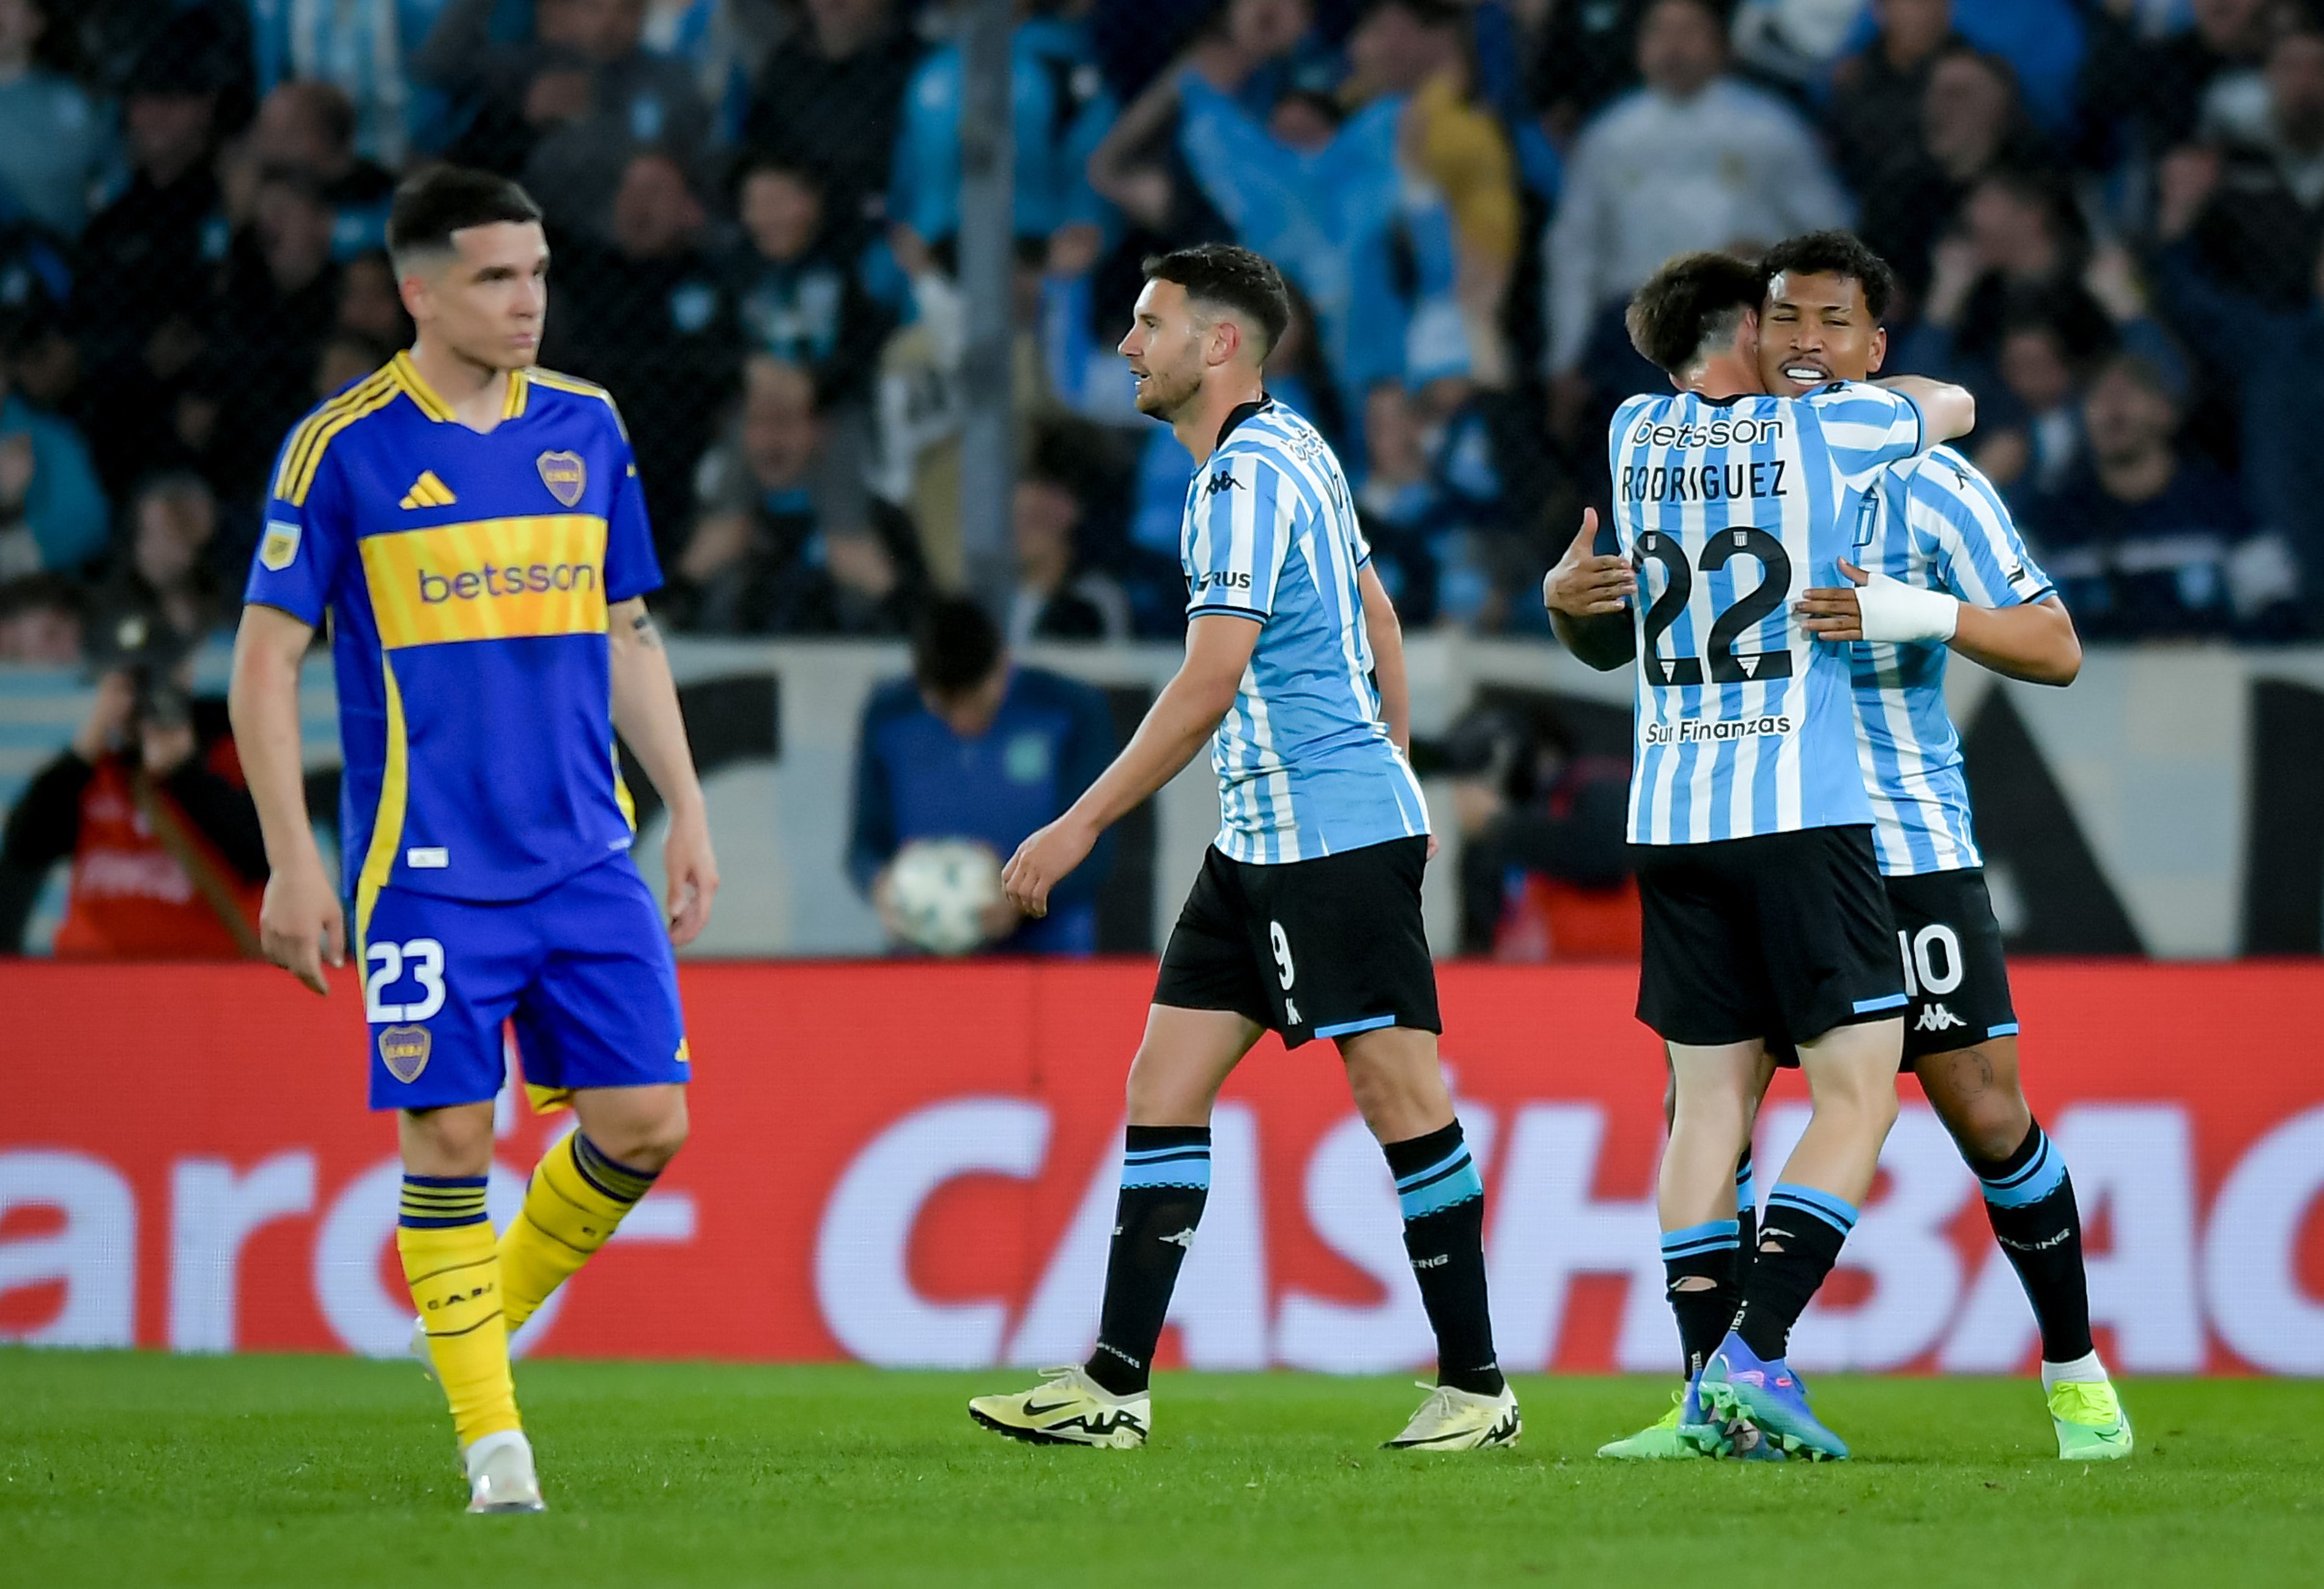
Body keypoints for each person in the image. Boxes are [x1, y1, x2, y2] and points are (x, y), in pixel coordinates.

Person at [1558, 231, 2131, 1463]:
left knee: (1983, 1108)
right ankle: (1718, 1389)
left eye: (1832, 323)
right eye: (1785, 318)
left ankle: (2075, 1367)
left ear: (1875, 346)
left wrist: (1914, 611)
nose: (1805, 342)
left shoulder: (1933, 486)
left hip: (1902, 837)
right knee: (1712, 1098)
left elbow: (2054, 645)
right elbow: (1627, 645)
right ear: (1749, 332)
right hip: (1789, 826)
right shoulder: (1749, 456)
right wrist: (1571, 619)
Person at [226, 166, 720, 1515]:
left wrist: (685, 807)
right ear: (419, 290)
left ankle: (465, 1331)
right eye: (498, 277)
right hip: (428, 872)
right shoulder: (346, 449)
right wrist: (292, 856)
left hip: (584, 856)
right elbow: (264, 666)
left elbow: (626, 634)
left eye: (540, 273)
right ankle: (494, 1450)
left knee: (649, 1122)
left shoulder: (588, 427)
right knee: (449, 1141)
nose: (528, 302)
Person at [968, 243, 1517, 1452]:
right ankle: (1113, 1385)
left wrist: (1077, 822)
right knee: (1162, 1087)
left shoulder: (1238, 487)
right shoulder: (1297, 446)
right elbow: (1375, 615)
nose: (1127, 345)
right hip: (1268, 837)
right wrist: (1398, 766)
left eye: (1149, 323)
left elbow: (1211, 680)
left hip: (1322, 837)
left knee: (1398, 1095)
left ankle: (1478, 1388)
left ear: (1217, 344)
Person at [1542, 0, 1847, 441]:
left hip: (1745, 325)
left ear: (1720, 45)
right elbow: (1574, 253)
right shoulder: (1608, 140)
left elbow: (1829, 229)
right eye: (1660, 32)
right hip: (1634, 333)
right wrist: (1565, 358)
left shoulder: (1770, 130)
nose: (1674, 47)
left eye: (1689, 32)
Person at [850, 597, 1118, 956]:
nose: (962, 721)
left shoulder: (1071, 711)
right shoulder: (888, 716)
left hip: (1049, 958)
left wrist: (1022, 898)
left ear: (1002, 665)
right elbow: (864, 847)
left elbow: (1098, 845)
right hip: (921, 958)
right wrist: (881, 885)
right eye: (946, 708)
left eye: (975, 703)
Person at [0, 629, 264, 956]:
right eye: (129, 684)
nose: (142, 701)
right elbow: (25, 847)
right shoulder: (92, 770)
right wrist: (85, 749)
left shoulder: (224, 757)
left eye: (156, 682)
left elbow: (262, 858)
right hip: (88, 976)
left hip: (202, 975)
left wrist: (185, 774)